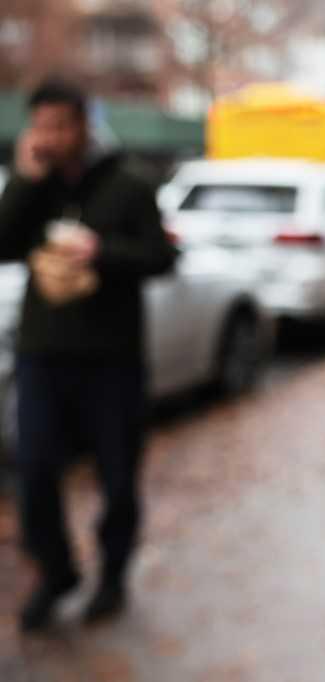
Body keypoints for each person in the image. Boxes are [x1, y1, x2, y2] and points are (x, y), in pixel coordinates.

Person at [0, 79, 177, 631]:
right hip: (43, 354)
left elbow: (161, 258)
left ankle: (113, 576)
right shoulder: (35, 186)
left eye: (59, 126)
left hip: (111, 358)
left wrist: (101, 252)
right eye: (40, 126)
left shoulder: (130, 184)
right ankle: (56, 572)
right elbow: (3, 244)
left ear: (83, 126)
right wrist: (25, 180)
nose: (49, 137)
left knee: (118, 477)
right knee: (33, 471)